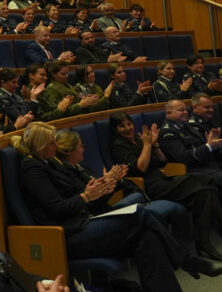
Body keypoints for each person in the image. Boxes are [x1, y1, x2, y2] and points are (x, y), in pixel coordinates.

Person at [12, 121, 221, 292]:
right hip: (68, 234)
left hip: (87, 220)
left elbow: (87, 196)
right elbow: (58, 208)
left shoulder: (53, 163)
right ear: (39, 145)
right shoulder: (32, 168)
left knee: (146, 238)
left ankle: (185, 266)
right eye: (50, 143)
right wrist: (86, 196)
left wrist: (104, 187)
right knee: (140, 214)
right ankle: (188, 260)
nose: (55, 147)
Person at [109, 112, 222, 259]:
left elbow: (163, 161)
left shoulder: (139, 139)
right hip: (147, 186)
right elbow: (141, 168)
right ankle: (211, 237)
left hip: (162, 177)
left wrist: (155, 145)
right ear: (115, 129)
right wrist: (147, 145)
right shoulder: (119, 146)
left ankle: (203, 243)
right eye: (122, 126)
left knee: (205, 193)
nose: (127, 128)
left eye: (129, 124)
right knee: (203, 181)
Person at [159, 98, 222, 183]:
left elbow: (204, 147)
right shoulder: (167, 133)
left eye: (186, 109)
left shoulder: (187, 126)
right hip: (191, 171)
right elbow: (184, 157)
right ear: (169, 113)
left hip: (206, 164)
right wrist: (209, 146)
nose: (186, 112)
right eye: (181, 110)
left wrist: (213, 144)